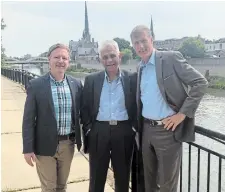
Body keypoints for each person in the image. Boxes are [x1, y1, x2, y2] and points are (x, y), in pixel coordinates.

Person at [130, 25, 208, 192]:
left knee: (167, 185)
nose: (141, 46)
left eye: (144, 41)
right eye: (136, 43)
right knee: (148, 182)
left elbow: (200, 83)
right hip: (146, 130)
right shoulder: (140, 67)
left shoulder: (170, 58)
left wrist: (182, 114)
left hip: (167, 131)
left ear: (152, 39)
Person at [22, 43, 83, 192]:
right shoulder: (36, 85)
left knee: (62, 186)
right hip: (44, 146)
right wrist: (28, 148)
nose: (60, 61)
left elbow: (82, 114)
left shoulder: (76, 84)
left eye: (64, 58)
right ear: (49, 59)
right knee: (49, 188)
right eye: (57, 57)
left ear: (69, 61)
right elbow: (28, 120)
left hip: (68, 144)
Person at [81, 40, 137, 192]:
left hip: (124, 131)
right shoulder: (91, 80)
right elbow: (84, 108)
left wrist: (133, 128)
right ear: (100, 60)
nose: (109, 60)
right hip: (99, 131)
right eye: (105, 57)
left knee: (123, 176)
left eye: (112, 56)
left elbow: (139, 105)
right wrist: (89, 129)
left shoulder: (132, 79)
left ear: (120, 56)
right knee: (96, 177)